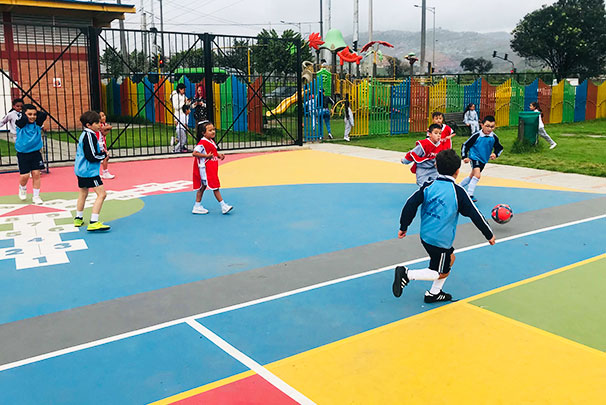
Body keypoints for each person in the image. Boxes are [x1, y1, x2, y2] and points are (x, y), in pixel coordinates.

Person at [392, 149, 496, 303]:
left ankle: (434, 293)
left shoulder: (428, 186)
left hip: (426, 235)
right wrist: (489, 234)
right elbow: (475, 214)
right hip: (440, 241)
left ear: (436, 165)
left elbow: (410, 204)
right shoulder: (458, 192)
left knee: (450, 258)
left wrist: (404, 226)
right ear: (457, 171)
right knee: (440, 271)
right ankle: (407, 274)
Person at [73, 111, 110, 231]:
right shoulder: (90, 136)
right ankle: (94, 221)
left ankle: (78, 218)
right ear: (89, 125)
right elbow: (91, 156)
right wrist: (103, 155)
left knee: (83, 193)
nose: (99, 125)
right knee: (102, 194)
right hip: (89, 171)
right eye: (97, 123)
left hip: (81, 169)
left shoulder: (86, 134)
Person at [191, 121, 233, 215]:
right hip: (206, 169)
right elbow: (194, 153)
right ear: (203, 133)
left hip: (211, 168)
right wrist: (206, 156)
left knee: (203, 187)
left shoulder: (211, 141)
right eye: (210, 130)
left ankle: (197, 206)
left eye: (213, 129)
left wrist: (218, 155)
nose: (213, 132)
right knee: (215, 186)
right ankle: (223, 206)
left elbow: (213, 152)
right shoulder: (202, 143)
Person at [460, 115, 504, 202]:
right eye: (487, 126)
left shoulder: (494, 137)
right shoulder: (476, 135)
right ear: (482, 125)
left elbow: (499, 148)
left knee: (472, 176)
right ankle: (469, 194)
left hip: (484, 159)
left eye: (492, 127)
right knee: (477, 175)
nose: (489, 129)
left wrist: (495, 154)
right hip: (474, 157)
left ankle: (458, 186)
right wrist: (464, 156)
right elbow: (465, 145)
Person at [15, 104, 47, 204]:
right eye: (29, 114)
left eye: (34, 114)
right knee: (24, 176)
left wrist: (35, 113)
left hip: (35, 153)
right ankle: (22, 188)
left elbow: (44, 115)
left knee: (36, 174)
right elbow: (22, 120)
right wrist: (24, 114)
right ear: (24, 115)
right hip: (23, 154)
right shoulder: (20, 124)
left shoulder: (37, 124)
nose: (32, 116)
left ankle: (36, 196)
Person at [170, 83, 189, 147]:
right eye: (183, 89)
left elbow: (186, 104)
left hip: (183, 115)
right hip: (178, 115)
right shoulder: (175, 96)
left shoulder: (183, 96)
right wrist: (183, 103)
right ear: (179, 89)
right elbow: (176, 106)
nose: (184, 91)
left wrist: (187, 102)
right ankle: (179, 145)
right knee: (180, 130)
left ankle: (180, 144)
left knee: (184, 131)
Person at [98, 111, 115, 179]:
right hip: (99, 143)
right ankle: (105, 172)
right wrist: (108, 128)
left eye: (104, 115)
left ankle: (99, 173)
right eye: (102, 116)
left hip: (103, 143)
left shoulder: (104, 124)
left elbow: (105, 133)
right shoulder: (98, 124)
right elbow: (102, 130)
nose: (104, 117)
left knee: (105, 157)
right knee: (105, 157)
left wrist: (107, 128)